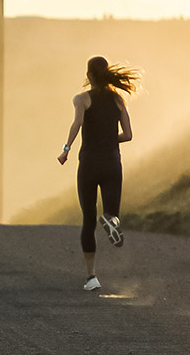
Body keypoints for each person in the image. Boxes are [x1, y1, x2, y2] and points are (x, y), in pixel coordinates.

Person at [57, 56, 139, 291]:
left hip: (89, 164)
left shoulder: (81, 99)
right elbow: (129, 134)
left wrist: (66, 150)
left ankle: (91, 277)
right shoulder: (117, 99)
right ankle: (111, 220)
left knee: (88, 220)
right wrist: (109, 139)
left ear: (88, 75)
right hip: (112, 163)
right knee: (111, 213)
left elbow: (77, 124)